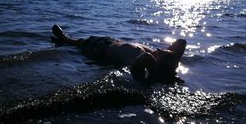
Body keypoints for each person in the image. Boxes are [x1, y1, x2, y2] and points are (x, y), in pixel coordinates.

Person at [51, 24, 186, 84]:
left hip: (101, 49)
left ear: (157, 62)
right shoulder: (156, 55)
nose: (157, 50)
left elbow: (141, 63)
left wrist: (156, 68)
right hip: (111, 41)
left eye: (159, 53)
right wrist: (173, 57)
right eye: (160, 50)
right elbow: (181, 42)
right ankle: (67, 40)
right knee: (83, 41)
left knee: (80, 43)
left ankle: (65, 39)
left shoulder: (144, 58)